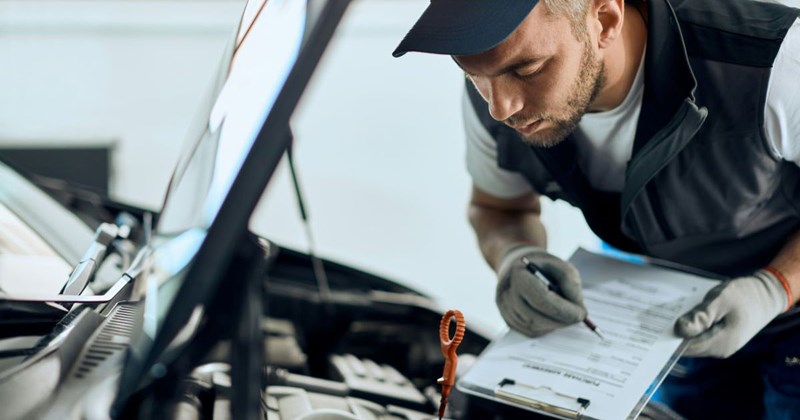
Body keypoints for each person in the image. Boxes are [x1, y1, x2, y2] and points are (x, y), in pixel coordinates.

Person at [393, 0, 800, 418]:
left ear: (604, 20)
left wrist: (776, 288)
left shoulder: (772, 60)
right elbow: (497, 207)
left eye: (526, 70)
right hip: (682, 324)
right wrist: (515, 255)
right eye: (473, 74)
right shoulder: (495, 94)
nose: (501, 109)